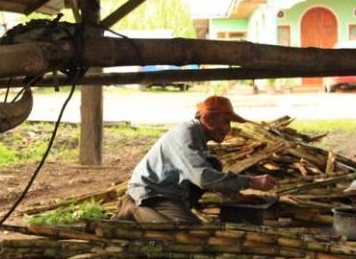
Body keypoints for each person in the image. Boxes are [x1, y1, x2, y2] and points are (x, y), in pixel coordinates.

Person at [113, 95, 276, 224]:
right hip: (153, 194)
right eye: (226, 122)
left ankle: (170, 212)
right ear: (209, 120)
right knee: (186, 232)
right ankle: (133, 208)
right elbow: (202, 177)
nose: (229, 129)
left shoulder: (199, 137)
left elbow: (207, 173)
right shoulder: (186, 135)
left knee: (213, 164)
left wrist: (236, 196)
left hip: (173, 193)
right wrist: (250, 182)